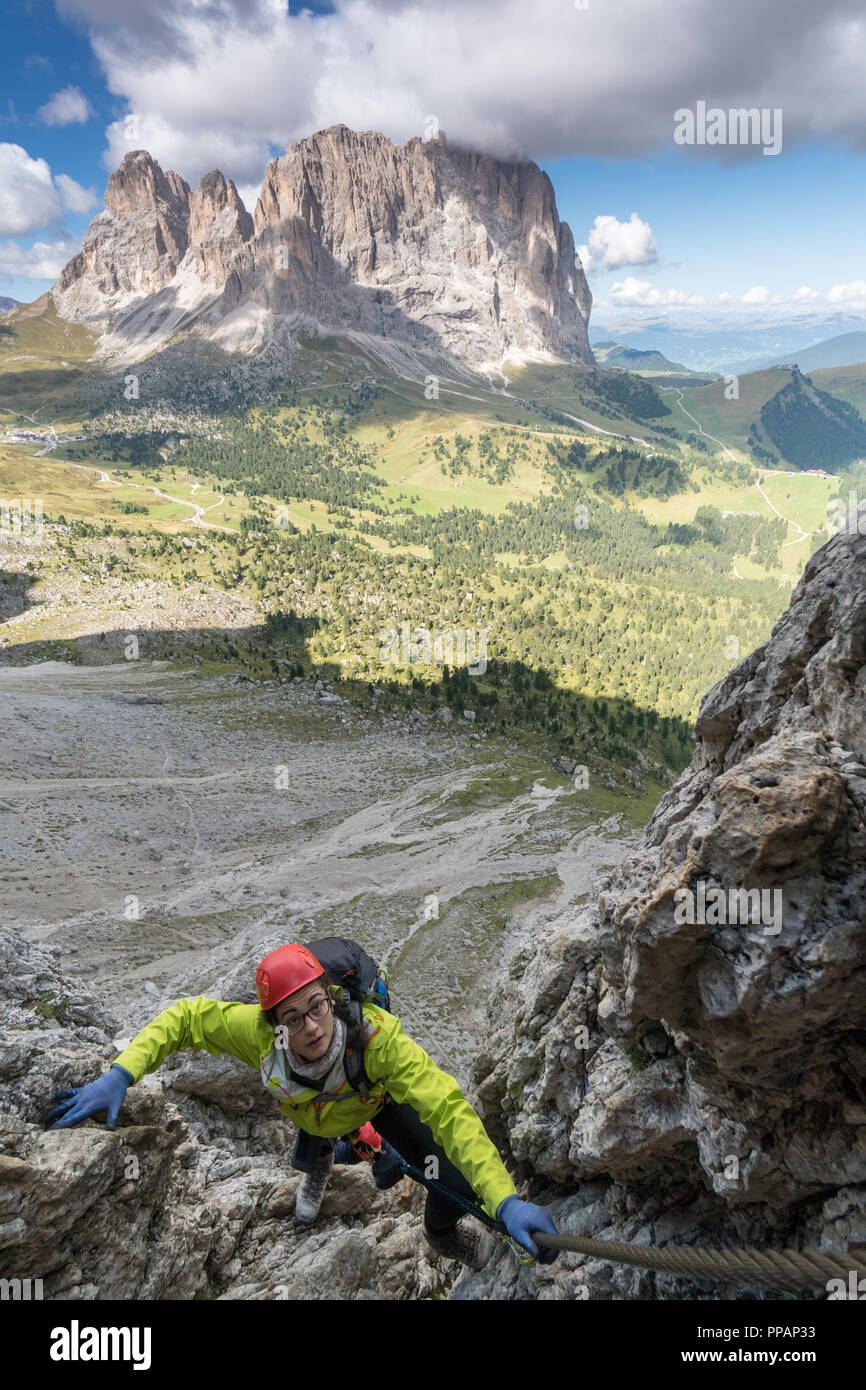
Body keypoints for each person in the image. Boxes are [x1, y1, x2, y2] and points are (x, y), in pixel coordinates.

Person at [46, 942, 558, 1271]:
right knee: (317, 1138)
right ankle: (321, 1165)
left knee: (449, 1177)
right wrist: (122, 1071)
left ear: (332, 997)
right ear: (274, 1025)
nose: (310, 1026)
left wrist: (506, 1200)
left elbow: (449, 1111)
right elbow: (184, 1019)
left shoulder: (378, 1042)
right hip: (308, 1111)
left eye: (317, 1006)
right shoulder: (258, 1036)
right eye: (292, 1018)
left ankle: (442, 1234)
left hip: (371, 1101)